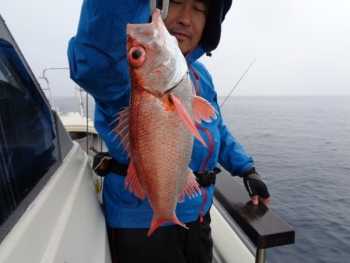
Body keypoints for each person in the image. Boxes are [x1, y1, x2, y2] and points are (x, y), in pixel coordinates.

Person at [68, 0, 270, 262]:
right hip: (140, 225)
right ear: (155, 5)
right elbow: (95, 62)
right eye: (176, 2)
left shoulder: (199, 75)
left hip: (197, 217)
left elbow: (216, 127)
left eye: (199, 9)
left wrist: (246, 168)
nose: (186, 18)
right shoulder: (123, 72)